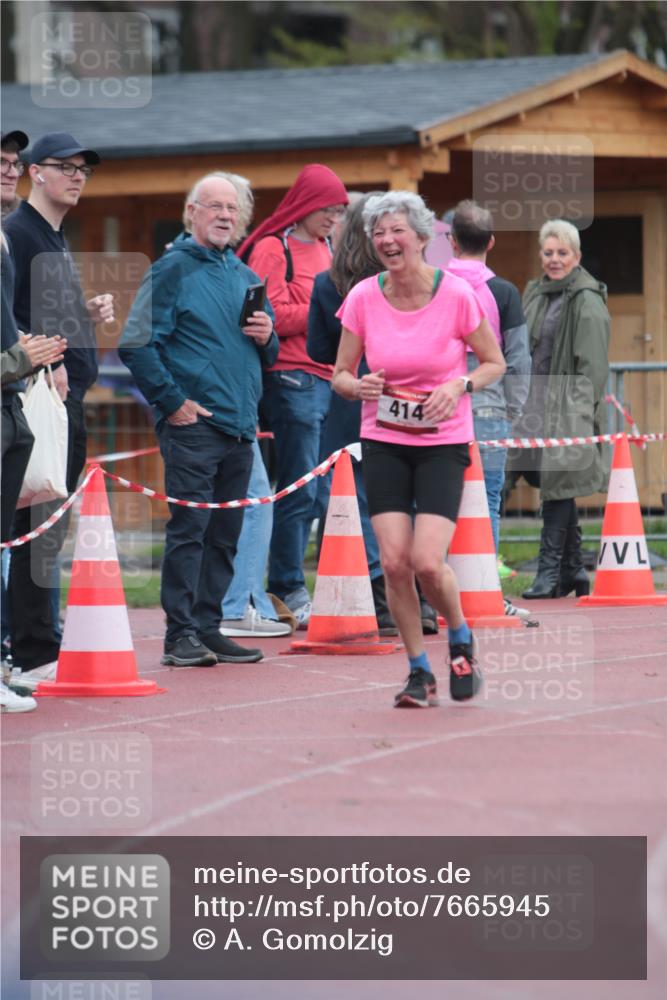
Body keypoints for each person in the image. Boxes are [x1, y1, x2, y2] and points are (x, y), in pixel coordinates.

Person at [333, 191, 506, 709]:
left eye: (397, 231)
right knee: (394, 562)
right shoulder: (364, 296)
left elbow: (493, 362)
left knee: (429, 562)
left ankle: (459, 637)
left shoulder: (456, 294)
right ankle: (417, 672)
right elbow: (340, 373)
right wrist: (356, 386)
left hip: (442, 443)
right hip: (384, 440)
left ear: (423, 238)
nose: (387, 241)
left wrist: (459, 387)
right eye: (378, 233)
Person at [120, 171, 279, 666]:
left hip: (239, 425)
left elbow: (269, 353)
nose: (224, 216)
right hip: (195, 426)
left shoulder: (244, 275)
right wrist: (173, 403)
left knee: (225, 534)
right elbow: (136, 343)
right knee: (190, 529)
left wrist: (267, 334)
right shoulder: (171, 269)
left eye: (231, 209)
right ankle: (179, 635)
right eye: (213, 207)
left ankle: (208, 627)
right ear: (192, 213)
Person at [4, 132, 114, 689]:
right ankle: (33, 648)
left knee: (46, 525)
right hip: (39, 402)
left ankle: (36, 636)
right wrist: (43, 363)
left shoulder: (55, 235)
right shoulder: (17, 233)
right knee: (37, 526)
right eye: (64, 167)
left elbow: (38, 313)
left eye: (82, 169)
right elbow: (10, 320)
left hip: (65, 401)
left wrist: (84, 313)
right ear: (34, 173)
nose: (77, 176)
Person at [239, 164, 348, 628]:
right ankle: (286, 585)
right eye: (327, 207)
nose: (333, 216)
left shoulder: (327, 248)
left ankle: (305, 584)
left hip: (328, 378)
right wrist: (327, 309)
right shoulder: (272, 247)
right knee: (300, 488)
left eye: (340, 210)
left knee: (323, 491)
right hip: (291, 379)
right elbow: (269, 315)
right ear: (305, 204)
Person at [307, 192, 399, 636]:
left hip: (349, 401)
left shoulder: (329, 284)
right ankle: (411, 598)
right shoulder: (400, 281)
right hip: (399, 399)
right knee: (402, 498)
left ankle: (377, 597)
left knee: (352, 502)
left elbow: (318, 349)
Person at [1, 127, 66, 712]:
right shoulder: (17, 234)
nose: (7, 169)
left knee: (15, 539)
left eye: (11, 161)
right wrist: (25, 356)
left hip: (17, 410)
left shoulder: (13, 236)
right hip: (15, 395)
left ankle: (9, 658)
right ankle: (25, 649)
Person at [510, 219, 610, 599]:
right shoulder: (535, 292)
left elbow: (593, 367)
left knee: (557, 485)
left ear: (577, 256)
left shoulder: (587, 300)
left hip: (568, 407)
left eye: (562, 253)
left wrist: (580, 415)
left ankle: (550, 573)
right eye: (548, 252)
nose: (554, 259)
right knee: (546, 481)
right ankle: (573, 570)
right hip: (531, 404)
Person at [446, 200, 531, 618]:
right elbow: (517, 359)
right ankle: (485, 593)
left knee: (436, 502)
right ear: (492, 242)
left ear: (451, 241)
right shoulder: (504, 292)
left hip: (438, 408)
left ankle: (436, 596)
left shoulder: (435, 286)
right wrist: (512, 408)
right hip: (490, 408)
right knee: (488, 502)